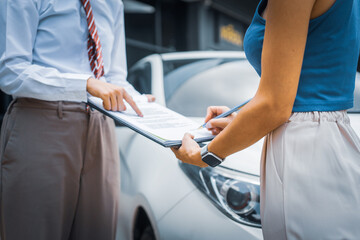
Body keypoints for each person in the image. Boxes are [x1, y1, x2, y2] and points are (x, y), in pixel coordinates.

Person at [172, 0, 360, 239]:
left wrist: (205, 155)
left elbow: (274, 105)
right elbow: (300, 95)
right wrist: (243, 122)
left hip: (305, 152)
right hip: (329, 142)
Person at [0, 0, 154, 239]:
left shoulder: (113, 4)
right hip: (42, 123)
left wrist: (142, 103)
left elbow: (114, 78)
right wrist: (84, 84)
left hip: (101, 128)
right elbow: (12, 71)